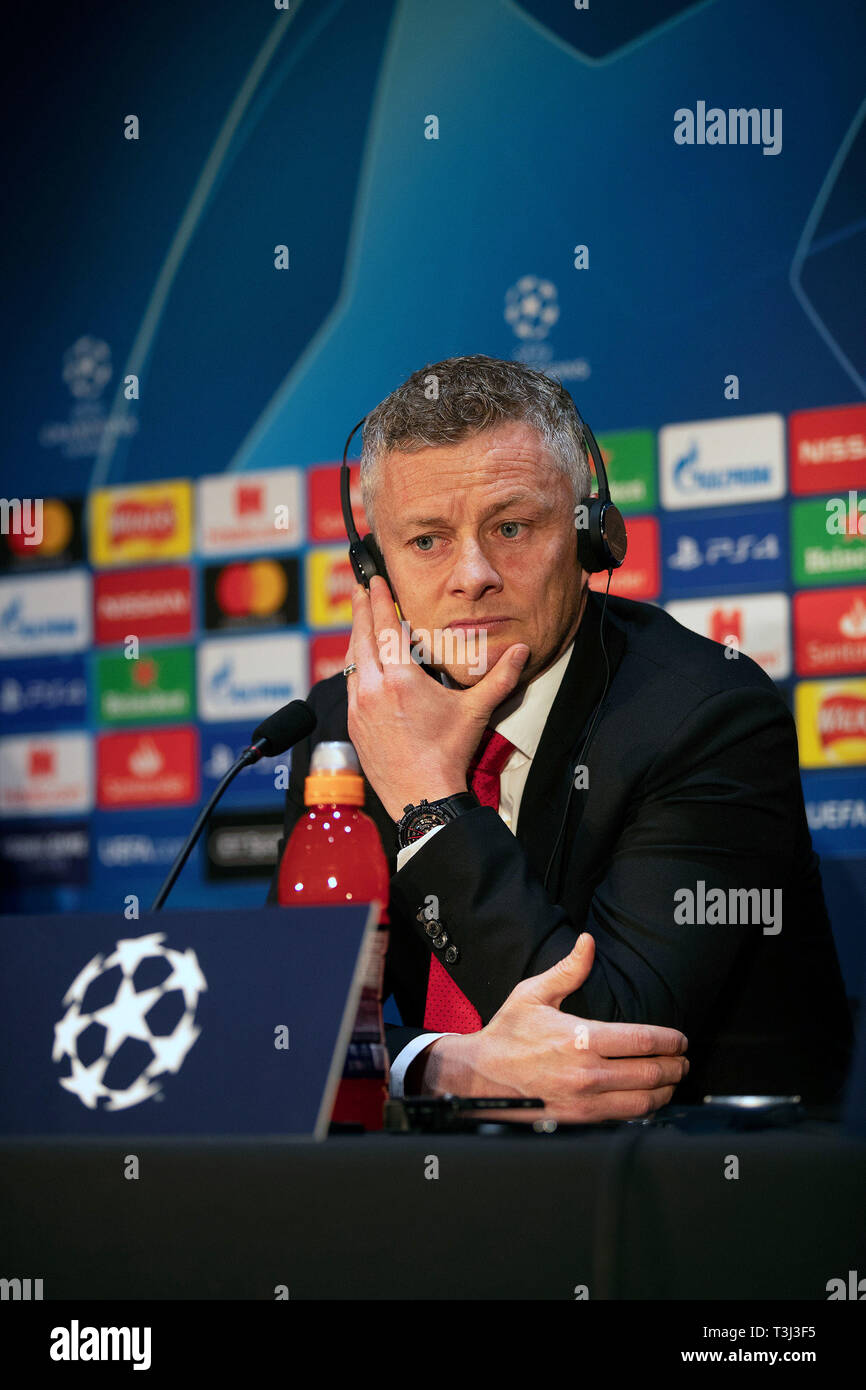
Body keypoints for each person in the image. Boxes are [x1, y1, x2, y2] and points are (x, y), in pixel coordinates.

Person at [268, 354, 853, 1121]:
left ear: (590, 538)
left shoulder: (711, 719)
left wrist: (427, 800)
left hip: (675, 1203)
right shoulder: (339, 727)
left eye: (512, 527)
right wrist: (441, 1067)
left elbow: (604, 1047)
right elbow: (283, 1027)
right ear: (375, 570)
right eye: (427, 541)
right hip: (408, 1206)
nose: (472, 574)